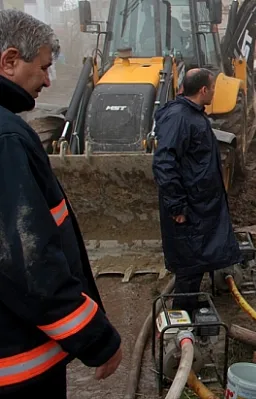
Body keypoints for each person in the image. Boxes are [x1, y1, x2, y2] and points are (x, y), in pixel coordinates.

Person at [0, 10, 122, 398]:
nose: (49, 80)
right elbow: (29, 258)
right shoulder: (7, 138)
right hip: (18, 367)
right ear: (10, 60)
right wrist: (94, 338)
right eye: (43, 68)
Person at [152, 68, 242, 314]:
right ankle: (183, 317)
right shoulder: (179, 117)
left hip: (200, 203)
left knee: (198, 256)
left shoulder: (192, 115)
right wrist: (176, 205)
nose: (214, 92)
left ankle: (190, 304)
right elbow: (164, 163)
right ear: (203, 90)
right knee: (189, 261)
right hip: (189, 205)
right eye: (212, 88)